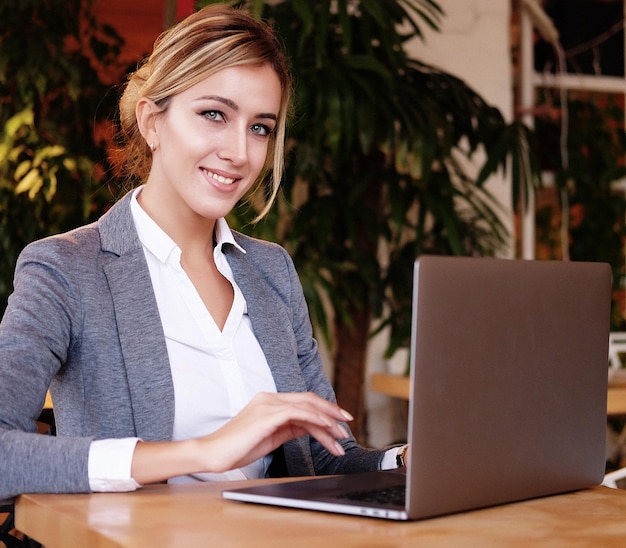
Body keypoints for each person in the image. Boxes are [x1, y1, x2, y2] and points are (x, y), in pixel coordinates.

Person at [0, 4, 406, 501]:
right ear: (152, 121)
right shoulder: (66, 270)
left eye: (260, 127)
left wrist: (402, 460)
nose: (239, 151)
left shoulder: (272, 270)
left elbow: (321, 455)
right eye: (215, 114)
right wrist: (204, 451)